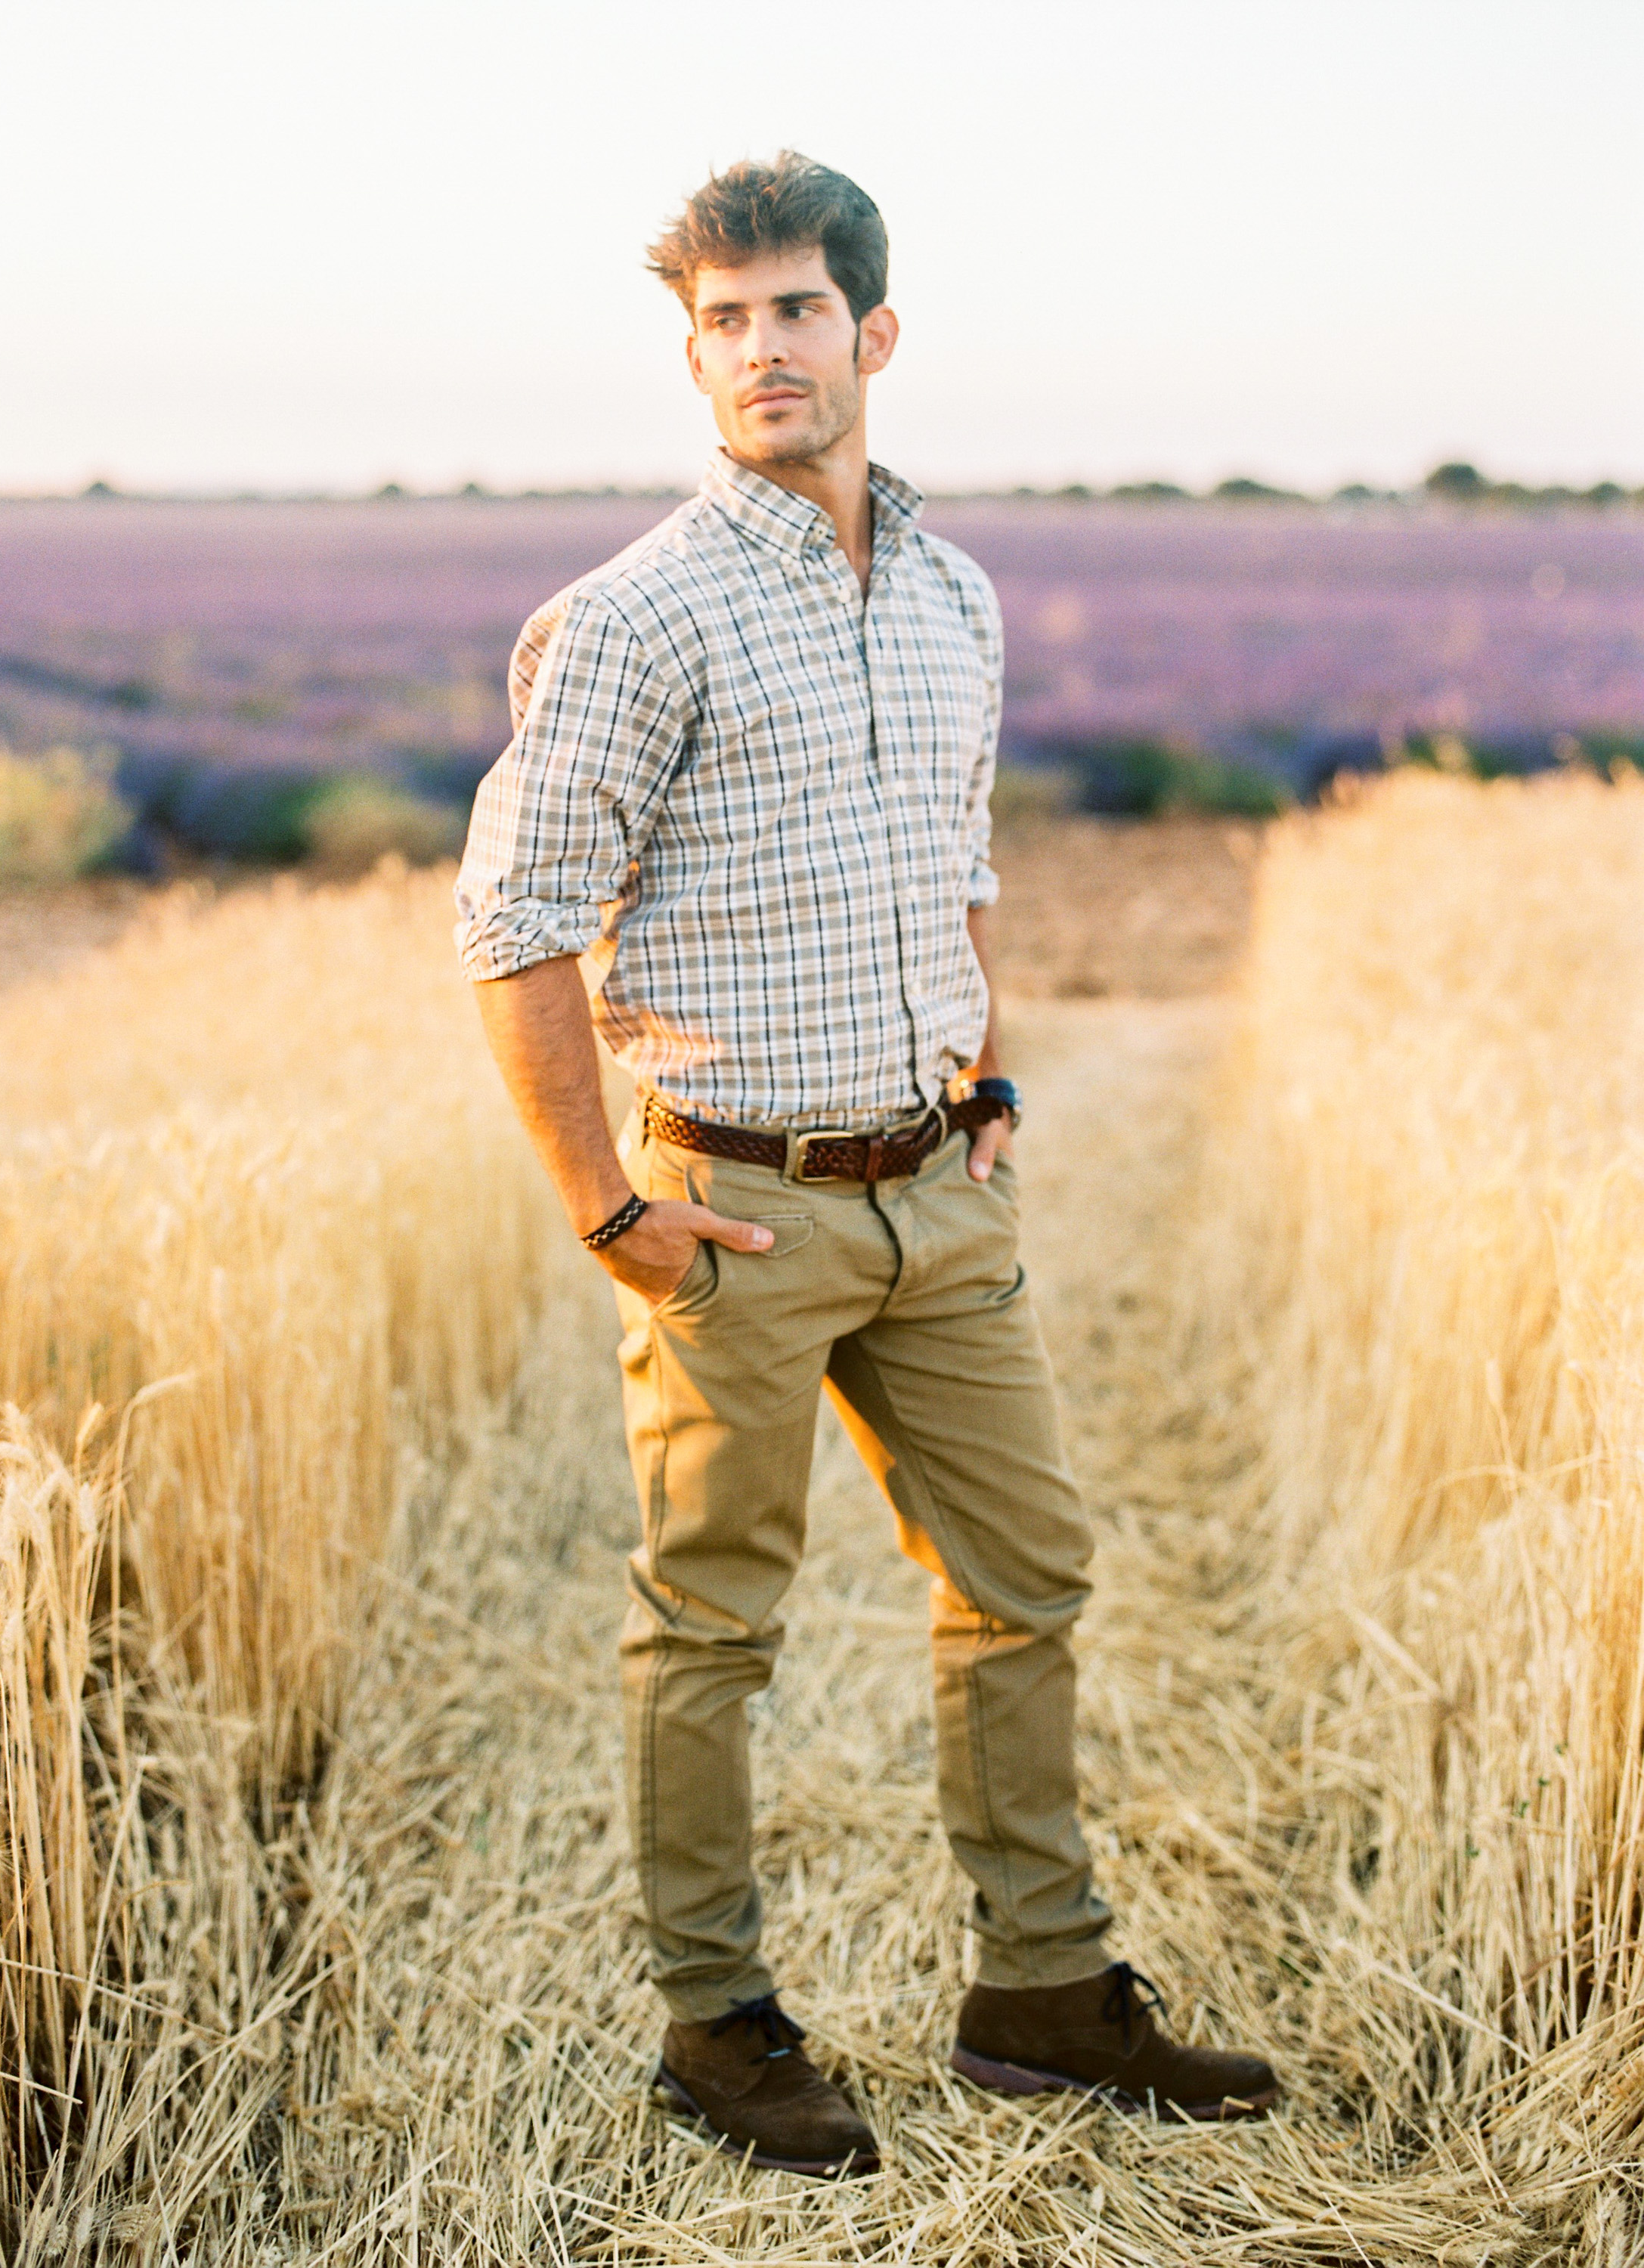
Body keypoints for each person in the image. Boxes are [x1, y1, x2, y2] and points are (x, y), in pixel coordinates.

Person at [456, 151, 1277, 2177]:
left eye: (794, 309)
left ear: (872, 333)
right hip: (732, 1210)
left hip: (939, 1198)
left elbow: (959, 867)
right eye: (720, 319)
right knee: (710, 1626)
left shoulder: (955, 596)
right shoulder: (636, 617)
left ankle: (1044, 1994)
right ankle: (719, 2027)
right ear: (691, 350)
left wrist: (983, 1086)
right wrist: (606, 1208)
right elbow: (511, 926)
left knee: (1030, 1579)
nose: (758, 349)